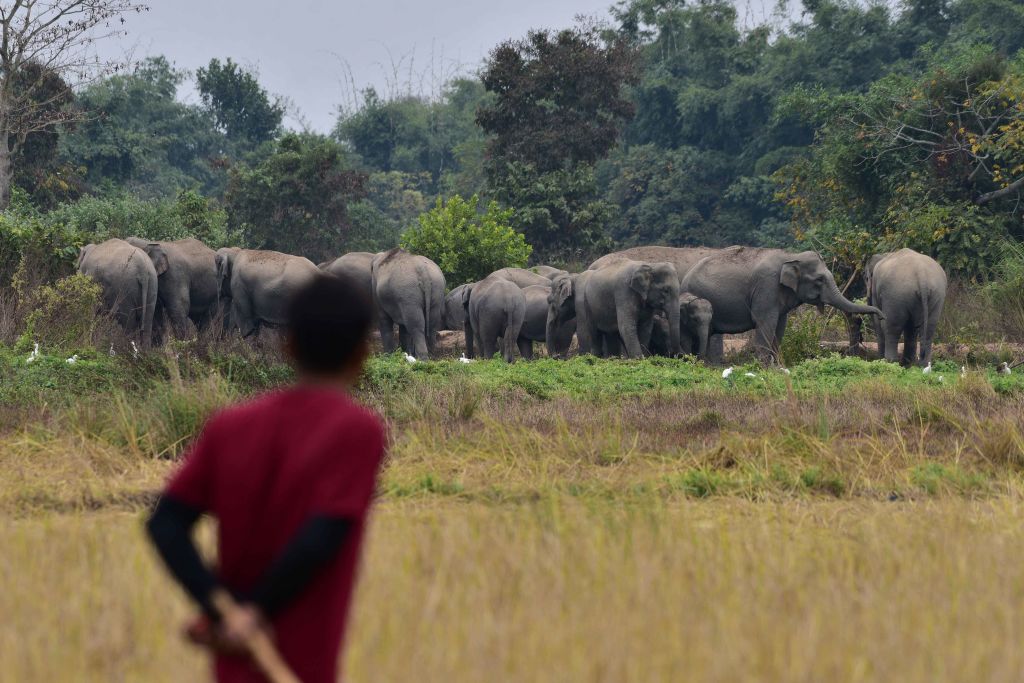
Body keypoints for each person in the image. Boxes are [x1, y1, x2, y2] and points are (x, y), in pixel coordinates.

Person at [146, 273, 386, 683]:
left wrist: (219, 608)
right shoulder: (357, 429)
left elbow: (165, 522)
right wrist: (256, 612)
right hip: (304, 664)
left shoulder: (229, 425)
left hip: (233, 662)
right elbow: (322, 535)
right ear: (363, 351)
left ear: (287, 344)